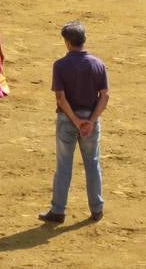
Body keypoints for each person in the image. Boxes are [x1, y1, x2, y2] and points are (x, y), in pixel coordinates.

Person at [38, 21, 109, 225]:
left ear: (67, 43)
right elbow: (104, 96)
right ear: (83, 40)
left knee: (64, 166)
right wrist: (90, 121)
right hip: (91, 121)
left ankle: (58, 211)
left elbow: (60, 98)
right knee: (92, 164)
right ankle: (97, 209)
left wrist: (76, 121)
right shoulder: (98, 64)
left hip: (67, 121)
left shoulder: (60, 65)